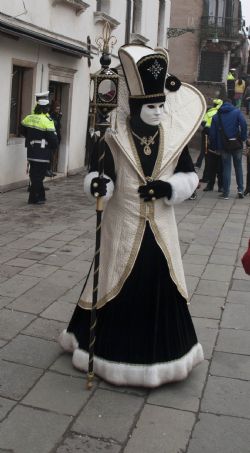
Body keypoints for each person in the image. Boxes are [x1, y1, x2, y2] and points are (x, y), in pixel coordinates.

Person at [59, 44, 205, 388]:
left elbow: (189, 176)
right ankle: (107, 354)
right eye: (150, 106)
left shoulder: (173, 139)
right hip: (122, 224)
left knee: (161, 280)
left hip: (161, 228)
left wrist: (169, 189)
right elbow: (102, 175)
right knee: (112, 279)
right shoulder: (113, 138)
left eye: (159, 105)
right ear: (136, 107)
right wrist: (97, 186)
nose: (156, 112)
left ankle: (163, 358)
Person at [21, 96, 58, 204]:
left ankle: (41, 196)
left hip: (31, 151)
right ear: (46, 108)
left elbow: (22, 130)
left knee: (34, 174)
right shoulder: (47, 121)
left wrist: (31, 138)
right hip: (42, 153)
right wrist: (52, 147)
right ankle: (33, 198)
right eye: (48, 107)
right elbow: (53, 140)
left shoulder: (29, 117)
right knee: (39, 176)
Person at [209, 98, 247, 199]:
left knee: (226, 167)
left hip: (223, 145)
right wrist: (243, 137)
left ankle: (226, 193)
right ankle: (240, 190)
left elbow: (212, 134)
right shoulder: (237, 112)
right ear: (232, 104)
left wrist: (214, 146)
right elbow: (243, 124)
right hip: (236, 144)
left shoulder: (216, 116)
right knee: (238, 166)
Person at [49, 100, 62, 173]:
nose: (58, 111)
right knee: (50, 154)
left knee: (53, 154)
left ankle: (51, 169)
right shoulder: (51, 115)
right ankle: (49, 169)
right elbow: (55, 125)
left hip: (57, 137)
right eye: (56, 109)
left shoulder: (57, 115)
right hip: (52, 137)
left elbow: (59, 126)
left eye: (58, 109)